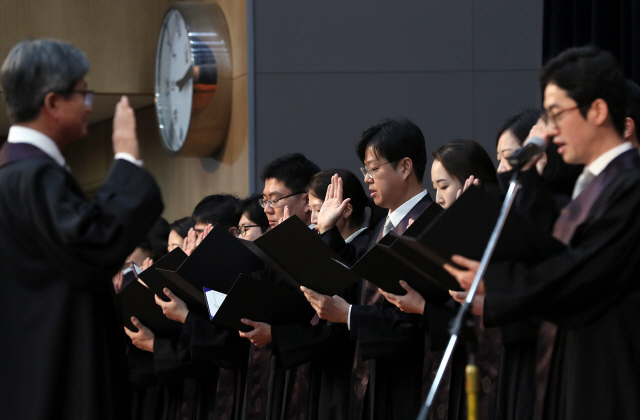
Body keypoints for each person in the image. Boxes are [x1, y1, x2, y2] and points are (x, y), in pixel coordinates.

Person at [446, 46, 640, 420]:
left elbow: (582, 270)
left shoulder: (630, 186)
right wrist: (529, 178)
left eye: (557, 115)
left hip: (609, 374)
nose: (549, 131)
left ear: (598, 111)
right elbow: (548, 244)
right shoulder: (593, 186)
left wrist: (498, 281)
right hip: (572, 366)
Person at [0, 39, 164, 420]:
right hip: (53, 373)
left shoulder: (18, 173)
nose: (89, 103)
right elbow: (96, 246)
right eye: (83, 93)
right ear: (53, 103)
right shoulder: (33, 176)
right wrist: (125, 156)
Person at [302, 117, 443, 420]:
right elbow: (354, 282)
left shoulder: (434, 225)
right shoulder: (382, 226)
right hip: (368, 375)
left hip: (408, 379)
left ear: (405, 167)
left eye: (374, 168)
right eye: (366, 170)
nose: (367, 178)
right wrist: (327, 233)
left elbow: (413, 320)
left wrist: (349, 314)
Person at [379, 139, 501, 420]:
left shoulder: (498, 233)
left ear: (473, 181)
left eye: (444, 186)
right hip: (450, 371)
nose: (439, 197)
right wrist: (422, 307)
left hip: (491, 373)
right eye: (435, 187)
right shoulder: (445, 234)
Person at [240, 153, 321, 420]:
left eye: (275, 199)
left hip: (316, 379)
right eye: (265, 200)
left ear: (306, 200)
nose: (267, 208)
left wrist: (277, 334)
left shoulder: (327, 247)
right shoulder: (270, 250)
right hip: (275, 374)